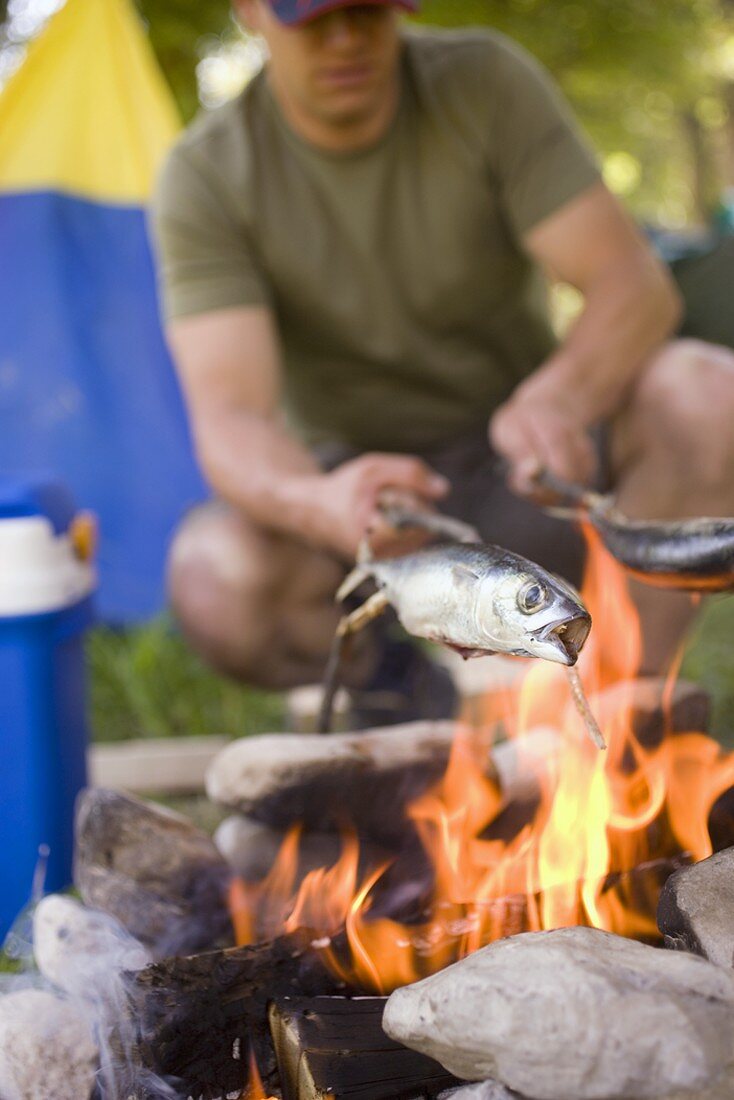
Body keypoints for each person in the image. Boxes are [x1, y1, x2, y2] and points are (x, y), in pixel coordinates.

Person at [152, 0, 734, 722]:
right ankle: (394, 693)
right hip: (362, 513)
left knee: (710, 394)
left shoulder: (483, 83)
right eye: (310, 16)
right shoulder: (205, 175)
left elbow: (635, 286)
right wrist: (323, 505)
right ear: (250, 12)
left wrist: (560, 399)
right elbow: (230, 416)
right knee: (216, 577)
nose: (345, 40)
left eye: (365, 10)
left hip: (526, 476)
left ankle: (622, 713)